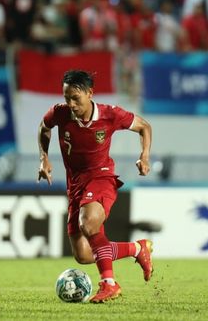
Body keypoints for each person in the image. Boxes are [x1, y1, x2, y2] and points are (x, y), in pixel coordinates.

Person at [38, 70, 154, 303]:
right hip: (76, 185)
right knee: (82, 254)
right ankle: (137, 249)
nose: (70, 104)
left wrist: (145, 156)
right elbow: (44, 128)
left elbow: (144, 126)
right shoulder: (59, 113)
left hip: (101, 177)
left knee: (88, 222)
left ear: (90, 93)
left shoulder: (110, 115)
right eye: (66, 98)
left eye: (75, 98)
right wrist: (44, 158)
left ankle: (109, 284)